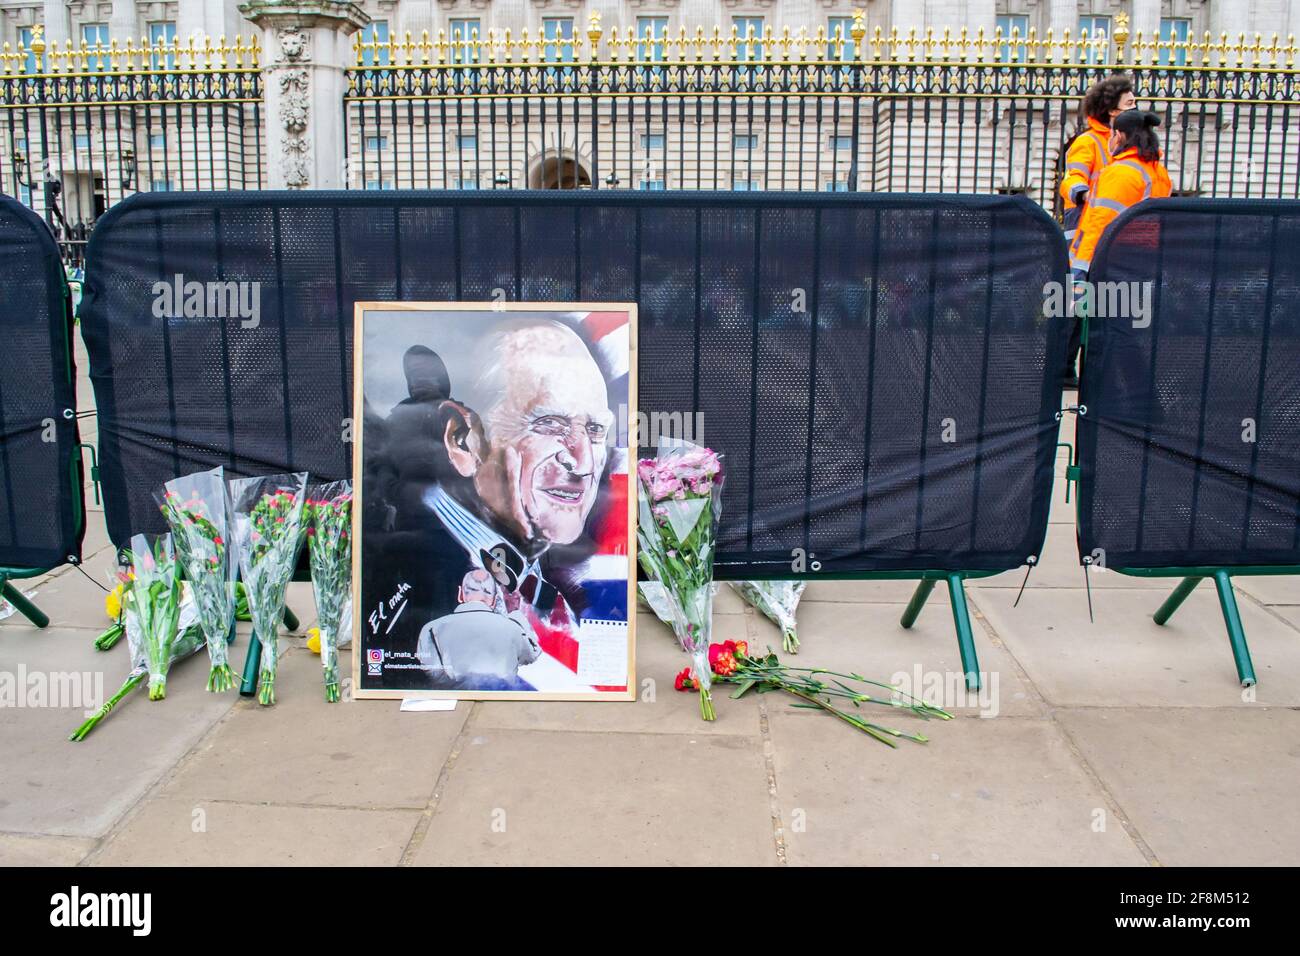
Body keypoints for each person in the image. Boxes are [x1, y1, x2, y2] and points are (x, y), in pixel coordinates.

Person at [1059, 74, 1136, 387]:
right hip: (1084, 232)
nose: (1136, 107)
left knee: (1102, 302)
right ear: (1111, 110)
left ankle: (1090, 368)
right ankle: (1063, 368)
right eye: (1130, 103)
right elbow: (1073, 175)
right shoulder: (1089, 142)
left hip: (1109, 232)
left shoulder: (1123, 143)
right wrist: (1081, 192)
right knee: (1077, 303)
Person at [1069, 109, 1172, 278]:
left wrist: (1080, 271)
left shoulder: (1121, 172)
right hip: (1140, 265)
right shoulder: (1160, 174)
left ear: (1118, 135)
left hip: (1107, 267)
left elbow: (1099, 224)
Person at [415, 568, 543, 691]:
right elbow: (532, 654)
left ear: (460, 594)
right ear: (494, 600)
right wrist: (514, 612)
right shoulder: (513, 628)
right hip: (501, 702)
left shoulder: (431, 629)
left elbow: (432, 671)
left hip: (455, 703)